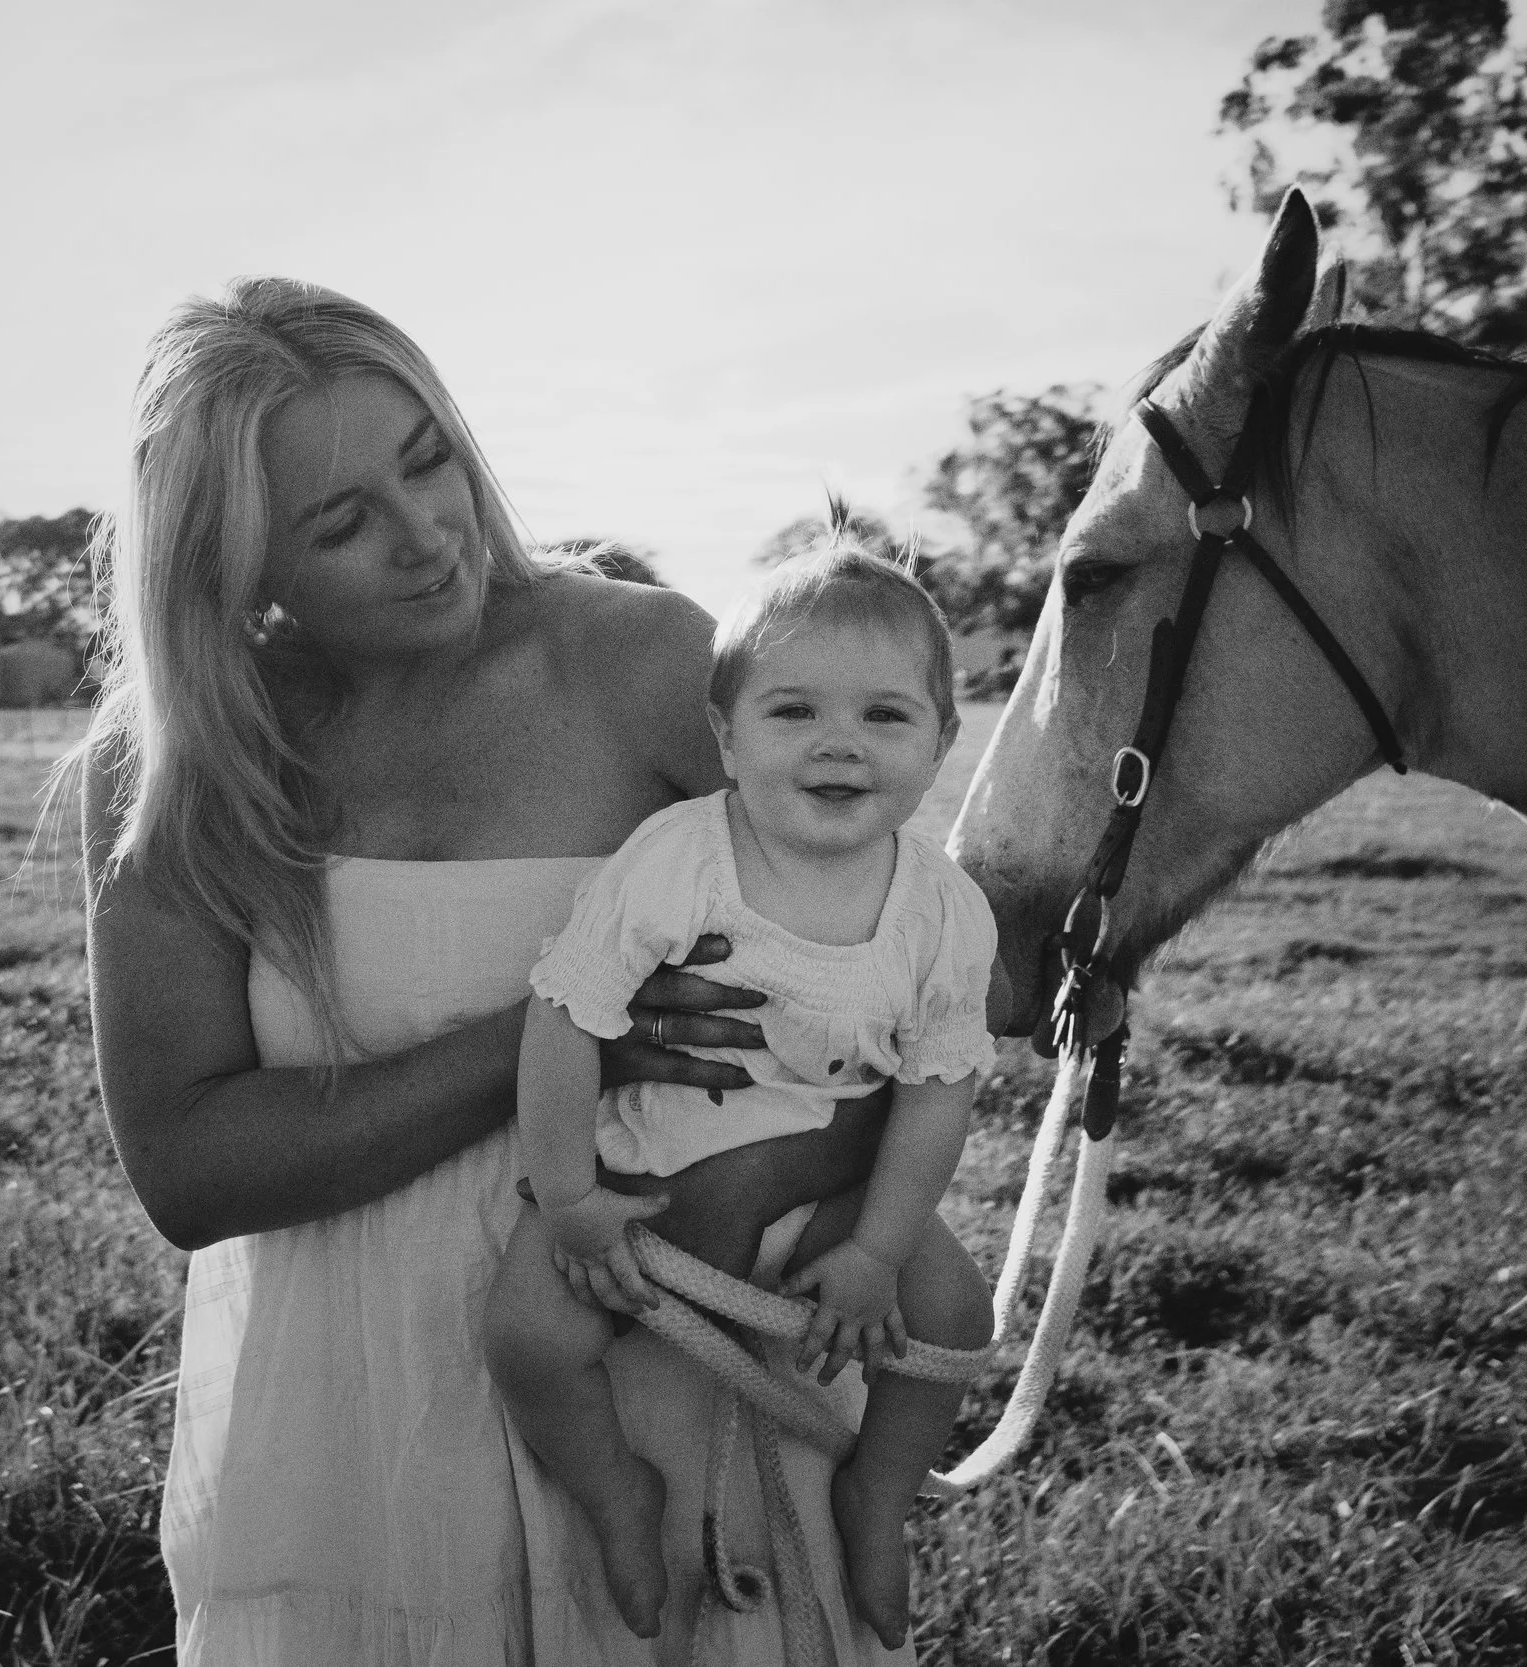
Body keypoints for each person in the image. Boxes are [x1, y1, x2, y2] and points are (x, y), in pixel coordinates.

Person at [69, 275, 919, 1665]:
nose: (429, 538)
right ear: (236, 563)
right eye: (343, 523)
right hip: (348, 1409)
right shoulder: (170, 770)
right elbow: (190, 1165)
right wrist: (554, 1036)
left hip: (656, 1332)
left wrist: (748, 1198)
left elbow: (887, 977)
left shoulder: (641, 659)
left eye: (430, 462)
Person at [485, 545, 996, 1649]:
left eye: (886, 715)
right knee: (528, 1332)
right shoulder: (678, 858)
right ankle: (617, 1495)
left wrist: (875, 1249)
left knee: (957, 1313)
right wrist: (569, 1196)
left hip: (830, 1168)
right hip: (644, 1168)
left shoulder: (942, 911)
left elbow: (936, 1091)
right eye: (793, 708)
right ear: (725, 735)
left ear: (943, 743)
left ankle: (878, 1494)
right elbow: (565, 1014)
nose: (839, 741)